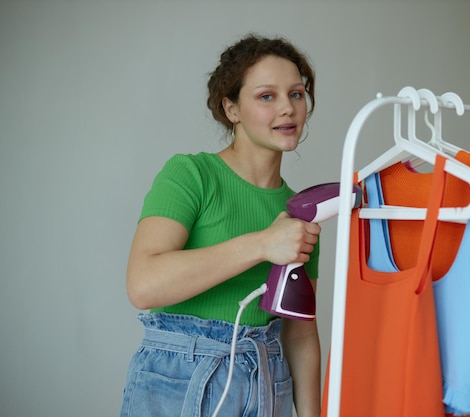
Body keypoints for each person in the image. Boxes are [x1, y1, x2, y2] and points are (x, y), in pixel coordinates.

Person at [119, 34, 322, 417]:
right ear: (232, 108)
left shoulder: (299, 212)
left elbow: (300, 334)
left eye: (296, 94)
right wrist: (263, 244)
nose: (288, 109)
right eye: (267, 96)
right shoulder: (191, 175)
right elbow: (143, 285)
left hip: (268, 376)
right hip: (183, 375)